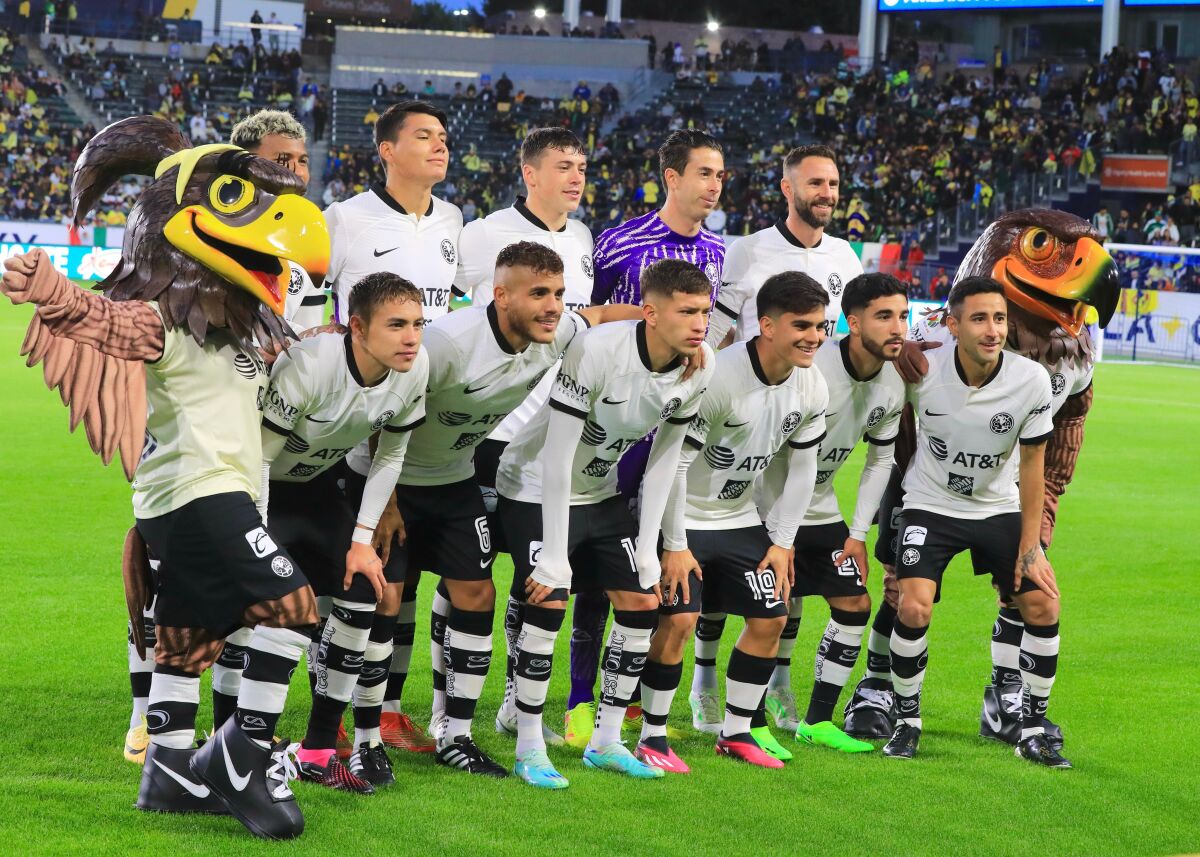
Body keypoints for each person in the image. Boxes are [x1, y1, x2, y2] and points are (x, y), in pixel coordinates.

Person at [379, 241, 640, 777]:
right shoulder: (449, 344)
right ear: (500, 296)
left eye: (559, 293)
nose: (553, 305)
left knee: (476, 590)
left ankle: (455, 733)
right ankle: (367, 727)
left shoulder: (558, 330)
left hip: (457, 479)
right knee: (382, 599)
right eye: (538, 293)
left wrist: (664, 324)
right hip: (396, 480)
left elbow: (601, 315)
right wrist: (381, 501)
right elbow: (384, 407)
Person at [122, 108, 325, 765]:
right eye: (278, 163)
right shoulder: (189, 277)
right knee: (214, 600)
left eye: (300, 163)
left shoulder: (285, 263)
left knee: (207, 612)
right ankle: (206, 741)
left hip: (251, 458)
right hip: (192, 466)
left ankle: (183, 755)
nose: (294, 174)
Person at [496, 258, 715, 787]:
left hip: (599, 493)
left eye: (705, 312)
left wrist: (647, 546)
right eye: (687, 312)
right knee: (548, 601)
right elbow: (555, 453)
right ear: (651, 313)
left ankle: (606, 741)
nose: (700, 324)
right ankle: (528, 746)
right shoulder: (597, 351)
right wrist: (552, 554)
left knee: (642, 602)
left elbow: (667, 458)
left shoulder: (699, 363)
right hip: (532, 486)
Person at [569, 130, 725, 748]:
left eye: (721, 176)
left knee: (649, 561)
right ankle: (581, 701)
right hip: (611, 431)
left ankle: (625, 696)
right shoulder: (619, 243)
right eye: (705, 173)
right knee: (594, 574)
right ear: (672, 176)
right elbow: (587, 329)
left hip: (674, 431)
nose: (714, 185)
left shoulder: (717, 251)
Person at [644, 272, 829, 773]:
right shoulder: (720, 377)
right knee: (679, 620)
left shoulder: (811, 381)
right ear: (767, 326)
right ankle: (652, 735)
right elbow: (674, 466)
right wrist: (675, 544)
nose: (815, 337)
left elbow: (803, 467)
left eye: (820, 325)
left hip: (738, 518)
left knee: (771, 616)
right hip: (679, 517)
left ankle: (737, 732)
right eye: (802, 326)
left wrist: (783, 542)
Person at [321, 100, 463, 752]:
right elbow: (314, 316)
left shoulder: (453, 222)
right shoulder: (346, 219)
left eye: (443, 137)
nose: (440, 146)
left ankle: (382, 712)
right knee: (365, 583)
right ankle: (340, 717)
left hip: (423, 426)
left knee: (406, 583)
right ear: (386, 149)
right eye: (424, 137)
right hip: (352, 428)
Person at [881, 277, 1067, 768]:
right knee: (913, 607)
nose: (993, 330)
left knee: (1043, 604)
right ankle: (906, 721)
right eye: (980, 318)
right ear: (953, 323)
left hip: (997, 507)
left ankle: (1032, 726)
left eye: (1000, 319)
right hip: (930, 503)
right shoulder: (923, 368)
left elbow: (1034, 466)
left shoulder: (1030, 380)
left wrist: (1031, 548)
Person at [450, 128, 594, 741]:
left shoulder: (584, 239)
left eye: (582, 166)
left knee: (532, 572)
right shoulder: (484, 235)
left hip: (550, 433)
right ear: (529, 173)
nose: (576, 177)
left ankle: (515, 698)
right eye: (563, 166)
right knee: (466, 572)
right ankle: (442, 704)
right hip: (489, 429)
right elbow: (454, 318)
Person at [259, 273, 427, 793]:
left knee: (361, 596)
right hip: (258, 489)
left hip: (315, 490)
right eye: (396, 325)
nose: (412, 338)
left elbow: (391, 454)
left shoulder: (413, 370)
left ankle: (317, 750)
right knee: (262, 613)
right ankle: (241, 745)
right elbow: (258, 457)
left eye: (418, 324)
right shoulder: (311, 366)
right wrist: (257, 542)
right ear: (356, 327)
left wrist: (361, 539)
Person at [757, 273, 907, 753]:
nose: (897, 327)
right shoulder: (811, 365)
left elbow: (881, 460)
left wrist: (858, 533)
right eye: (884, 317)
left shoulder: (892, 386)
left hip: (821, 510)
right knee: (770, 612)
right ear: (854, 321)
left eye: (903, 316)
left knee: (854, 603)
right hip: (762, 505)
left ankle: (817, 720)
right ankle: (749, 718)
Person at [706, 144, 863, 347]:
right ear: (787, 189)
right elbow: (714, 331)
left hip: (822, 380)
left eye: (833, 184)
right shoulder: (746, 251)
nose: (827, 193)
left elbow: (869, 328)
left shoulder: (844, 255)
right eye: (815, 183)